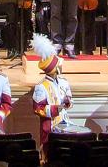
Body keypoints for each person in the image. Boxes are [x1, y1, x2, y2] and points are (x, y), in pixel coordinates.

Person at [31, 33, 73, 162]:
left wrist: (67, 102)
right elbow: (38, 109)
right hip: (49, 129)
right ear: (54, 69)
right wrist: (56, 109)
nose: (61, 66)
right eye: (58, 65)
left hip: (65, 126)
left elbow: (69, 103)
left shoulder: (64, 82)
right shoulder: (41, 87)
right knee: (49, 158)